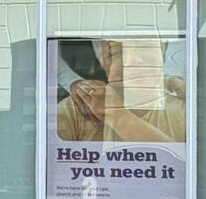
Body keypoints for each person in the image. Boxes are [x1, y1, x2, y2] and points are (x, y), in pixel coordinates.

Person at [56, 39, 185, 144]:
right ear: (104, 62)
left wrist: (117, 115)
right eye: (118, 52)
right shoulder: (72, 111)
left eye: (144, 49)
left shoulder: (184, 110)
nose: (132, 62)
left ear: (162, 56)